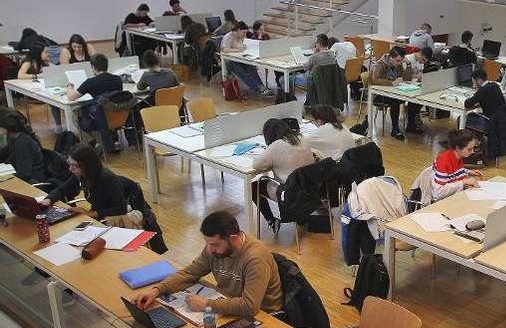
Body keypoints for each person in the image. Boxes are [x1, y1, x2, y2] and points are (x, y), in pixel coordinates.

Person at [134, 211, 283, 317]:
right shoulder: (214, 249)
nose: (210, 250)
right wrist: (157, 290)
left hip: (264, 316)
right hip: (227, 304)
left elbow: (250, 306)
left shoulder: (255, 259)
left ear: (233, 238)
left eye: (215, 245)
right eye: (207, 243)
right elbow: (189, 273)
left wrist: (207, 305)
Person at [252, 118, 315, 233]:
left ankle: (271, 220)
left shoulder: (276, 146)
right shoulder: (300, 138)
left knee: (254, 187)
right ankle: (301, 216)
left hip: (290, 194)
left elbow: (256, 164)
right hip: (310, 190)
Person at [40, 145, 127, 219]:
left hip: (117, 216)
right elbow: (62, 189)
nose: (70, 169)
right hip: (99, 213)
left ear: (88, 166)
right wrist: (49, 199)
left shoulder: (107, 178)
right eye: (69, 163)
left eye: (75, 166)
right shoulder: (82, 174)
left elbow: (121, 209)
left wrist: (90, 214)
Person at [66, 54, 124, 154]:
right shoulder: (118, 80)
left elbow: (71, 97)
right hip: (117, 117)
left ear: (93, 67)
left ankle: (95, 142)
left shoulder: (90, 82)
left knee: (76, 113)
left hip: (100, 118)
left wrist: (70, 88)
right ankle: (109, 138)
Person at [369, 46, 415, 140]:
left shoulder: (397, 64)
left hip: (393, 92)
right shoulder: (380, 64)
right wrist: (391, 83)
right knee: (395, 100)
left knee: (412, 99)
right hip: (378, 95)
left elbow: (407, 78)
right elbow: (374, 80)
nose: (399, 63)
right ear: (390, 58)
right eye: (398, 61)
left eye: (401, 61)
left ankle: (411, 124)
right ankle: (395, 129)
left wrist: (409, 64)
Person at [221, 22, 274, 97]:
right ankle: (258, 88)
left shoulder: (241, 36)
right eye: (244, 32)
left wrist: (243, 47)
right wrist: (238, 50)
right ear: (239, 30)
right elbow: (225, 49)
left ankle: (262, 87)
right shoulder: (229, 36)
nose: (245, 34)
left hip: (239, 58)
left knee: (251, 68)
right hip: (230, 61)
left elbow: (243, 46)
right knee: (244, 73)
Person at [17, 45, 62, 131]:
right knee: (53, 100)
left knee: (55, 99)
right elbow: (20, 75)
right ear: (38, 53)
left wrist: (50, 64)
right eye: (45, 52)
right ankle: (58, 126)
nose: (47, 54)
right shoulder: (28, 62)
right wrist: (37, 76)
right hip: (31, 92)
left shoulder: (43, 61)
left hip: (43, 90)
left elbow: (56, 70)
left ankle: (58, 126)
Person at [0, 107, 47, 184]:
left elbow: (24, 174)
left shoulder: (22, 142)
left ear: (6, 126)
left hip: (33, 181)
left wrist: (5, 178)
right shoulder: (12, 137)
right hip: (24, 177)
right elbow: (4, 154)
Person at [432, 129, 482, 200]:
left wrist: (468, 172)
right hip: (443, 202)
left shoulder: (457, 156)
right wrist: (464, 182)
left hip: (454, 197)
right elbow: (438, 193)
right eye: (469, 149)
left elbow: (454, 172)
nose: (473, 151)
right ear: (458, 148)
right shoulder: (444, 161)